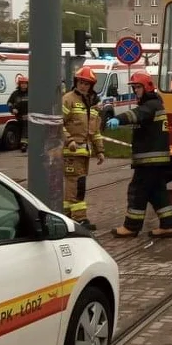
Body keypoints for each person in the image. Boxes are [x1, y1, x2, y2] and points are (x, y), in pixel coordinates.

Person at [105, 71, 172, 238]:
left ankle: (131, 226)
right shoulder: (155, 104)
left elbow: (136, 114)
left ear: (147, 87)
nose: (135, 90)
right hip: (154, 160)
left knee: (137, 191)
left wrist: (118, 119)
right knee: (157, 193)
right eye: (134, 87)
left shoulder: (151, 105)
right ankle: (168, 225)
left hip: (150, 160)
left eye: (138, 87)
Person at [62, 66, 105, 230]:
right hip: (71, 152)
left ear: (91, 86)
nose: (83, 86)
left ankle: (66, 217)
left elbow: (94, 131)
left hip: (84, 153)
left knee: (77, 184)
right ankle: (79, 219)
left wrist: (100, 150)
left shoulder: (91, 104)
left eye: (87, 84)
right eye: (81, 82)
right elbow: (58, 123)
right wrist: (69, 140)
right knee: (76, 185)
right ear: (76, 82)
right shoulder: (68, 99)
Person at [6, 73, 29, 153]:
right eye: (22, 84)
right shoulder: (15, 94)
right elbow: (9, 103)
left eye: (25, 83)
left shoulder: (31, 93)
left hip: (29, 115)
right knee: (21, 129)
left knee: (25, 129)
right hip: (19, 115)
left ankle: (24, 144)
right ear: (19, 84)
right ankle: (22, 143)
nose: (23, 85)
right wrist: (13, 109)